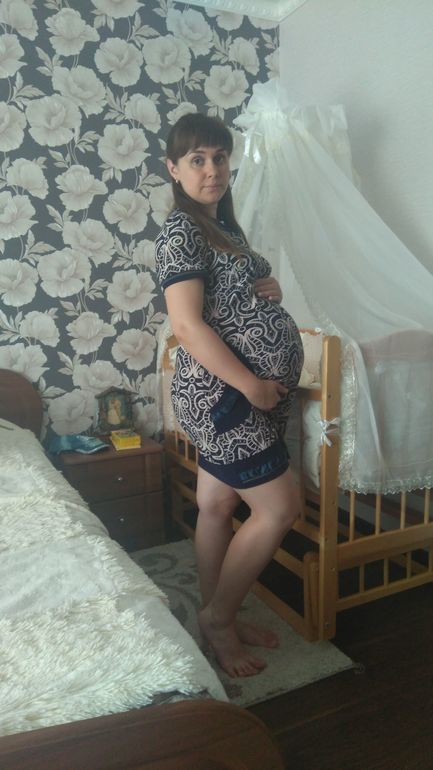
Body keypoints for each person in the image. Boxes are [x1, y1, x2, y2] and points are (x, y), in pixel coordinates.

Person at [155, 113, 304, 678]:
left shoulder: (223, 229)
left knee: (217, 506)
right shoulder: (182, 231)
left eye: (219, 157)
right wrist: (251, 384)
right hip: (227, 399)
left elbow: (231, 301)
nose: (212, 169)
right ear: (174, 169)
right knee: (280, 508)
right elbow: (187, 326)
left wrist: (270, 289)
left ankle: (221, 615)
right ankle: (219, 620)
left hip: (233, 397)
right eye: (197, 160)